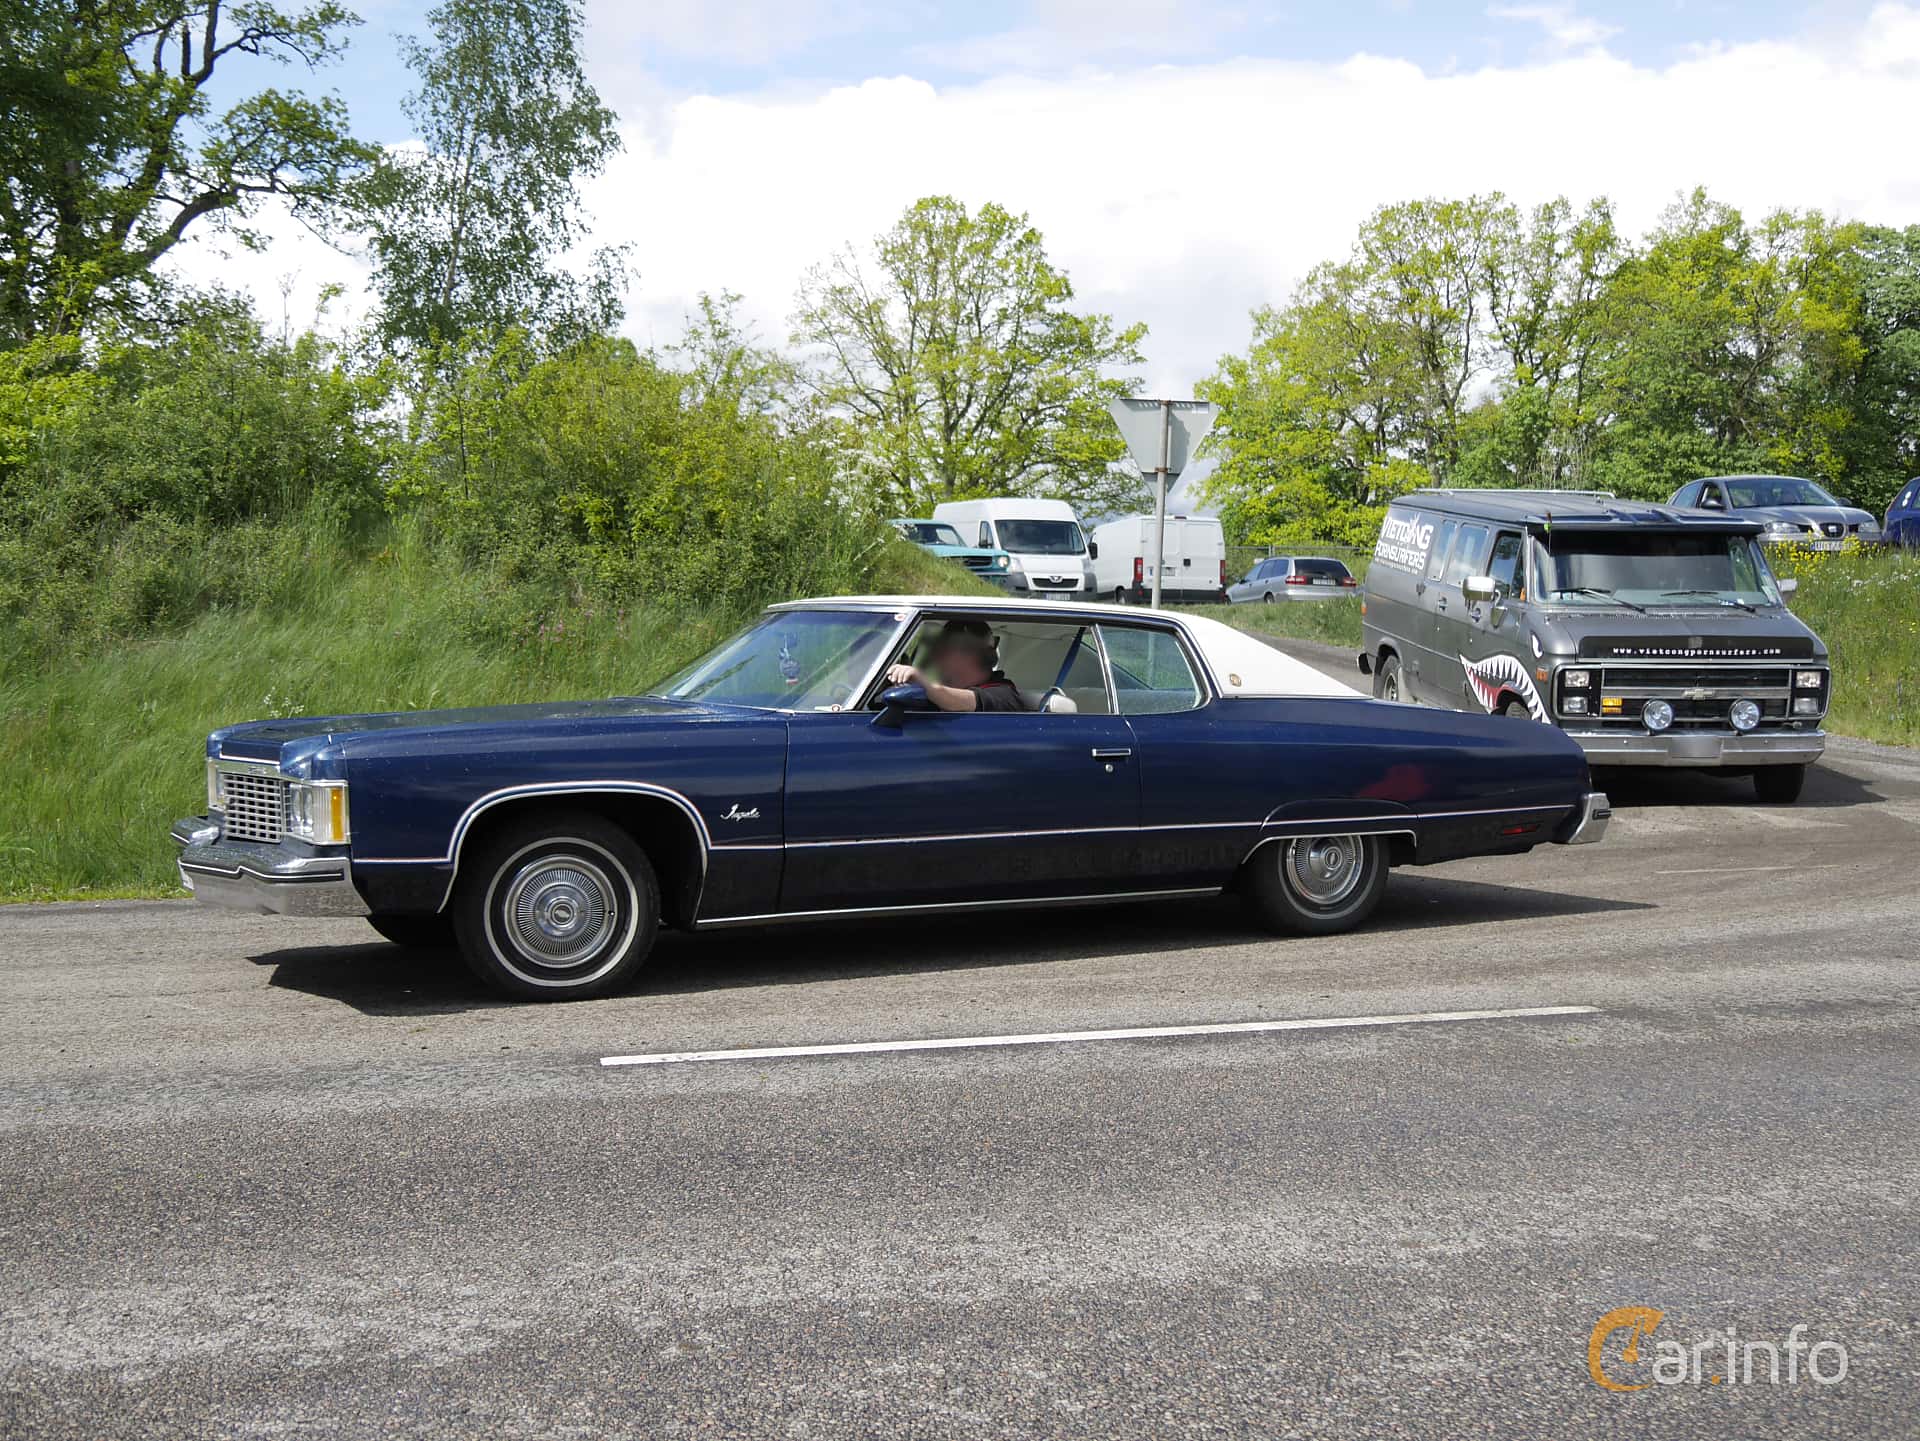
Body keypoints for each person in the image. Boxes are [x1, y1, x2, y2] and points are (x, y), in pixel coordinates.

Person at [885, 619, 1029, 712]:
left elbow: (960, 702)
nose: (937, 654)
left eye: (947, 648)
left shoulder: (1004, 694)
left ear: (975, 655)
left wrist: (922, 681)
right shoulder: (943, 687)